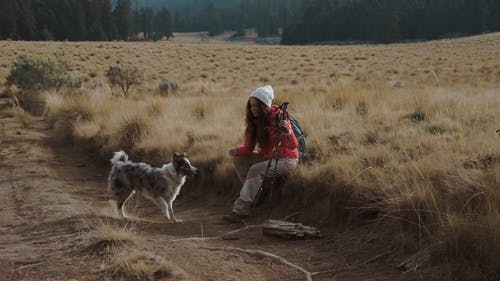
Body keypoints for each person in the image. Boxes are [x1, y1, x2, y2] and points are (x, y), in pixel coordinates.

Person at [223, 85, 299, 223]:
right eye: (251, 106)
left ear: (265, 106)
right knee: (239, 159)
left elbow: (293, 145)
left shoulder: (279, 117)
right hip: (269, 158)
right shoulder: (254, 122)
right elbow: (248, 148)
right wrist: (237, 151)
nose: (253, 110)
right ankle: (258, 193)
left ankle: (240, 211)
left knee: (255, 170)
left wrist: (287, 132)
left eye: (257, 106)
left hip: (287, 160)